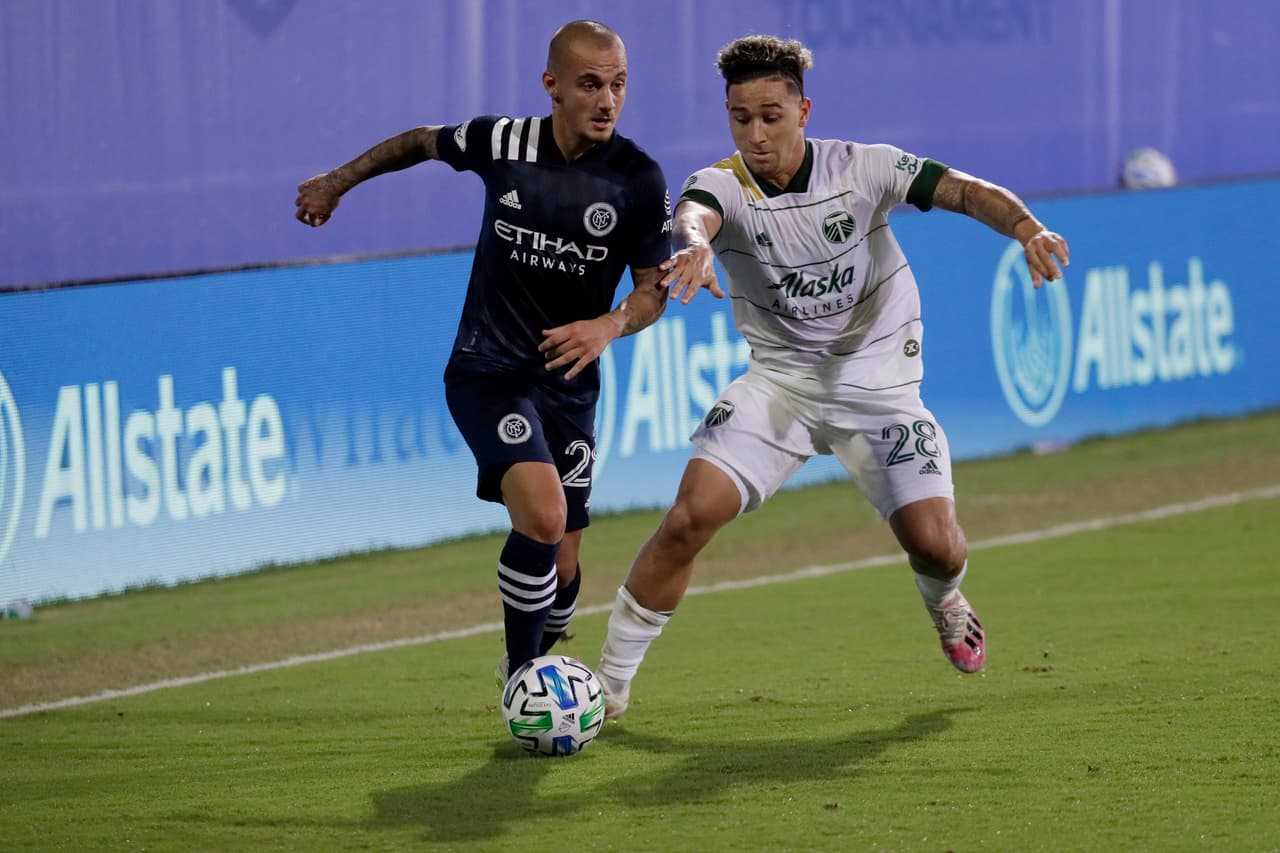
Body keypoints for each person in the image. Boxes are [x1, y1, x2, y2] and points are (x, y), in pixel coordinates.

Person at [596, 34, 1070, 718]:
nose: (754, 133)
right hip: (781, 383)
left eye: (770, 116)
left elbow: (964, 190)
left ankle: (944, 599)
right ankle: (608, 686)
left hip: (880, 386)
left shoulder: (864, 167)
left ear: (803, 110)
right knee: (687, 518)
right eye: (739, 117)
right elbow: (692, 215)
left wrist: (1028, 229)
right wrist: (695, 247)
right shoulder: (723, 184)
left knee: (936, 545)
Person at [295, 20, 673, 684]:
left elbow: (651, 292)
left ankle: (541, 640)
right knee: (544, 514)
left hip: (571, 383)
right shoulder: (504, 142)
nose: (607, 100)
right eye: (590, 84)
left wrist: (608, 326)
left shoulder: (638, 178)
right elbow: (420, 142)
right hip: (488, 369)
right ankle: (524, 679)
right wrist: (336, 181)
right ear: (551, 85)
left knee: (562, 577)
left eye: (618, 85)